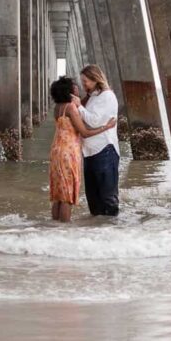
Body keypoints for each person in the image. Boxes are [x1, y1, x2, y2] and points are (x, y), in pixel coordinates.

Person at [48, 76, 116, 223]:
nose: (78, 87)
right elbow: (84, 132)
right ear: (70, 90)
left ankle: (54, 228)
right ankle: (64, 229)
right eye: (75, 86)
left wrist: (87, 96)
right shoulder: (71, 107)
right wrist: (106, 127)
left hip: (56, 150)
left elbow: (80, 106)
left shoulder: (58, 107)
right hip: (69, 151)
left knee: (59, 193)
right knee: (67, 195)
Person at [75, 65, 122, 216]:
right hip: (89, 152)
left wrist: (78, 107)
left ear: (95, 79)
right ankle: (96, 233)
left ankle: (113, 232)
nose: (84, 85)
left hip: (105, 150)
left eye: (85, 81)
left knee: (108, 198)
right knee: (93, 200)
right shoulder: (94, 96)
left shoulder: (107, 96)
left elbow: (94, 121)